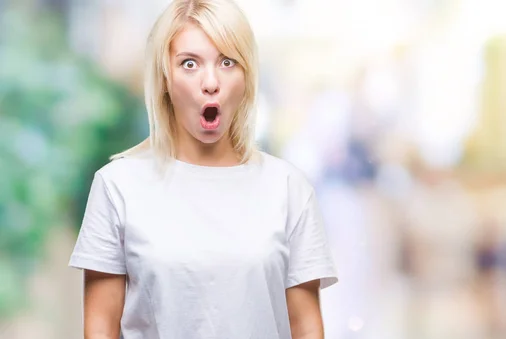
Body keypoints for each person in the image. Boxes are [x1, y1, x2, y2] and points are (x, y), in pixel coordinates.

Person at [67, 0, 338, 338]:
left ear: (247, 74)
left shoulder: (288, 188)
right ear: (165, 77)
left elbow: (306, 327)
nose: (211, 82)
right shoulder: (117, 186)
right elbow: (100, 328)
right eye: (190, 63)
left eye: (227, 62)